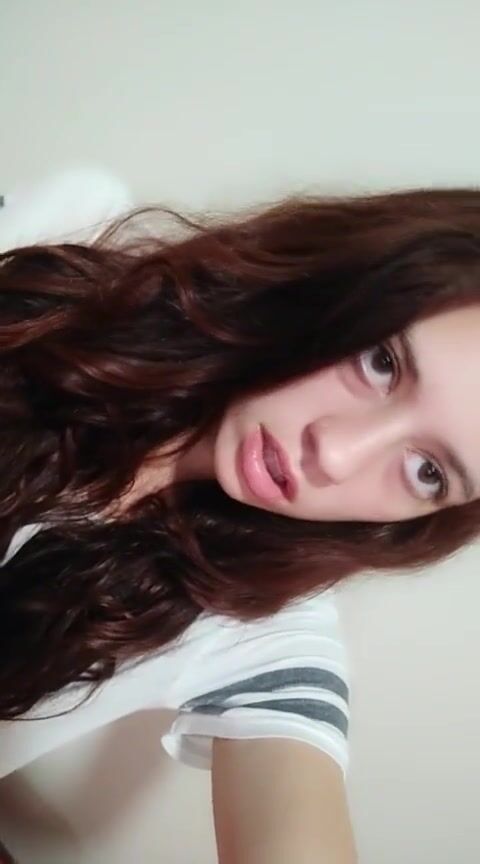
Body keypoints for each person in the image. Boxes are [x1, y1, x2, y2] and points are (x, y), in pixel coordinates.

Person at [2, 168, 480, 863]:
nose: (335, 453)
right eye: (381, 362)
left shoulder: (257, 626)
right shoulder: (69, 235)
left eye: (428, 471)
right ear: (343, 283)